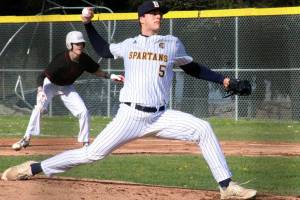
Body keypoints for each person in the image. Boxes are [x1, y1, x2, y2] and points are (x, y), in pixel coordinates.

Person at [2, 2, 256, 199]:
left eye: (161, 13)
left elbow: (192, 68)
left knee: (203, 128)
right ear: (141, 18)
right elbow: (103, 50)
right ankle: (33, 168)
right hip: (130, 116)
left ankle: (227, 187)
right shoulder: (129, 44)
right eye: (153, 13)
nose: (159, 16)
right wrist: (88, 24)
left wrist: (223, 80)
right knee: (91, 154)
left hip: (160, 116)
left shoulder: (172, 43)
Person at [11, 30, 124, 151]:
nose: (80, 46)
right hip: (50, 84)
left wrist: (111, 76)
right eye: (77, 44)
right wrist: (40, 91)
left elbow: (97, 71)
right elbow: (41, 76)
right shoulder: (61, 60)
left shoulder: (84, 60)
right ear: (70, 45)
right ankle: (26, 138)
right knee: (39, 108)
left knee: (84, 112)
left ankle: (85, 143)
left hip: (67, 87)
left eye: (82, 43)